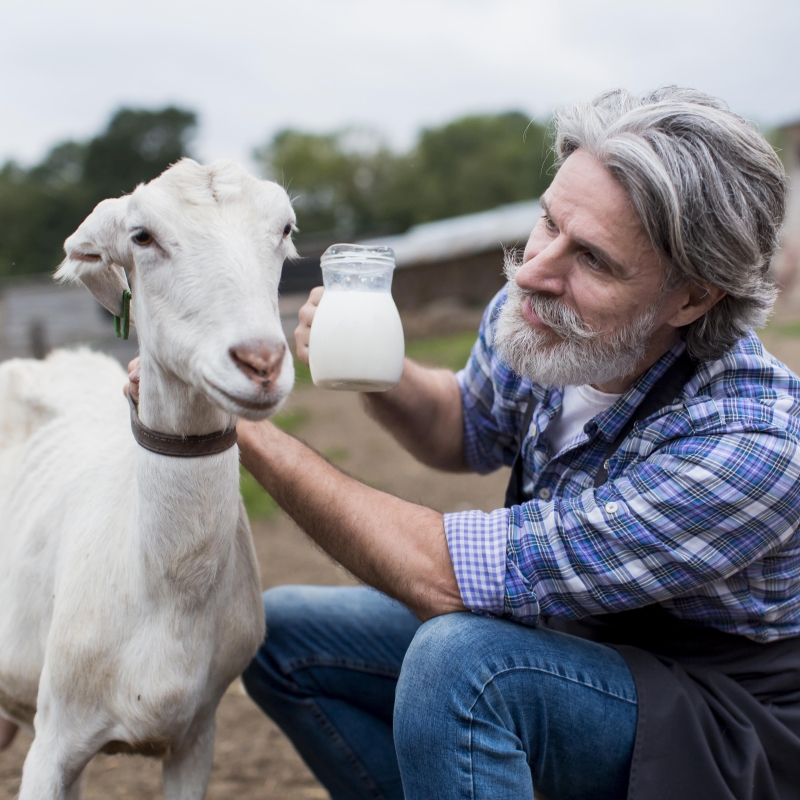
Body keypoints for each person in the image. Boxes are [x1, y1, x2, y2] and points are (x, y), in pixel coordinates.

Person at [174, 88, 800, 799]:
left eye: (593, 259)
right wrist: (381, 374)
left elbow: (444, 577)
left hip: (716, 732)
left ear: (693, 299)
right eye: (549, 222)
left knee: (463, 666)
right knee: (283, 635)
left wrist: (240, 422)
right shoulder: (546, 315)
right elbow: (464, 426)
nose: (535, 270)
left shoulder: (753, 444)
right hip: (574, 646)